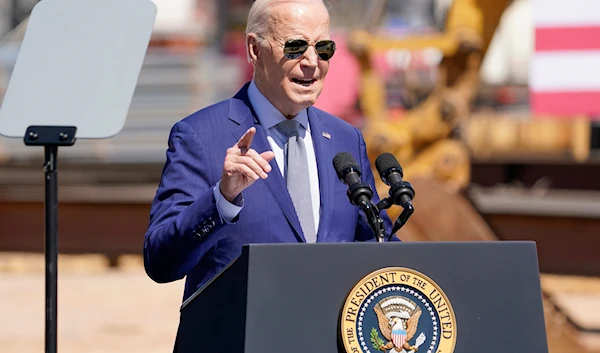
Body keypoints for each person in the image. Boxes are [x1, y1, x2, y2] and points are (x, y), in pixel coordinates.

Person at [143, 0, 397, 302]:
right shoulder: (199, 136)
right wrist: (221, 200)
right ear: (255, 50)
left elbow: (379, 246)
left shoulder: (345, 140)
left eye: (324, 48)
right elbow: (160, 261)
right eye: (295, 47)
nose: (312, 61)